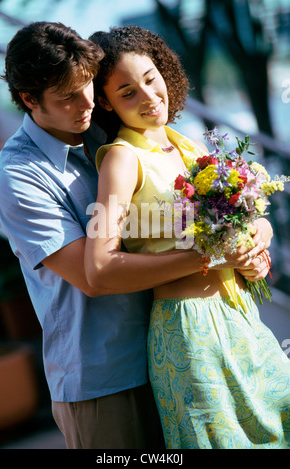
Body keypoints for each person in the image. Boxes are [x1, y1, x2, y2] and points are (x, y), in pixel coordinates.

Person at [0, 20, 269, 451]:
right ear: (29, 100)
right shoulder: (16, 178)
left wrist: (252, 244)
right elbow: (94, 275)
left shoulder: (107, 138)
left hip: (175, 347)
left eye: (88, 88)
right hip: (106, 379)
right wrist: (214, 256)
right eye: (67, 97)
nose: (86, 104)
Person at [84, 25, 290, 449]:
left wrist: (256, 247)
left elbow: (251, 225)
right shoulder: (122, 161)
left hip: (242, 318)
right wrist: (213, 257)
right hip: (189, 330)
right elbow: (99, 268)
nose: (148, 97)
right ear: (105, 101)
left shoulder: (192, 149)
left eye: (150, 78)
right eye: (127, 92)